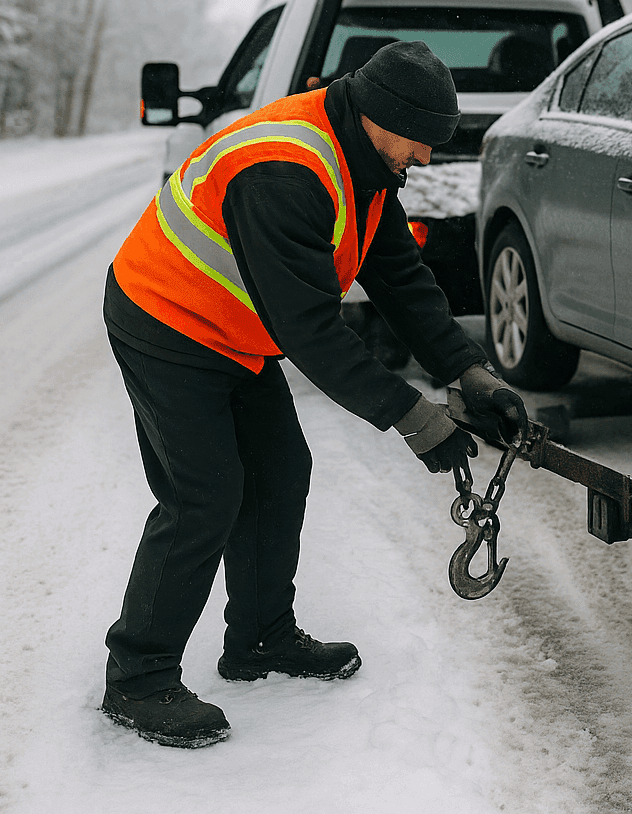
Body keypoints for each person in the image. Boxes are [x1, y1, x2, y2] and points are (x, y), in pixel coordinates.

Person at [100, 41, 527, 748]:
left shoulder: (362, 159)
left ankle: (260, 641)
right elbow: (309, 330)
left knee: (279, 472)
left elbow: (397, 274)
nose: (425, 158)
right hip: (165, 319)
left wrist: (468, 370)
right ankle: (137, 676)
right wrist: (414, 418)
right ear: (383, 116)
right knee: (204, 494)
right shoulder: (286, 172)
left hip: (233, 328)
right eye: (421, 141)